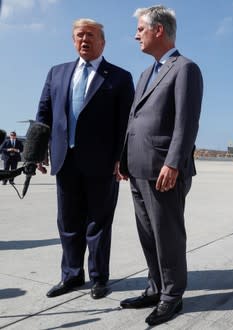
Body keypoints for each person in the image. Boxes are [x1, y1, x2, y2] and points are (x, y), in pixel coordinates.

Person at [35, 18, 134, 299]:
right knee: (67, 222)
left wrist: (121, 159)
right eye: (79, 35)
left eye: (90, 35)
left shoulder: (119, 77)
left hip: (102, 163)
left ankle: (99, 278)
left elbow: (127, 123)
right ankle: (71, 275)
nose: (84, 40)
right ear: (72, 40)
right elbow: (43, 115)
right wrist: (37, 153)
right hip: (65, 160)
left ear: (103, 42)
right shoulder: (57, 73)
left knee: (99, 223)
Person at [119, 5, 203, 326]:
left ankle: (172, 297)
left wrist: (174, 163)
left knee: (167, 235)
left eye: (141, 29)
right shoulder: (146, 73)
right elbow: (133, 120)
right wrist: (123, 159)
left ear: (158, 31)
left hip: (165, 171)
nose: (136, 34)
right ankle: (155, 287)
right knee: (147, 235)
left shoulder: (185, 69)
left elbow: (186, 122)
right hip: (138, 169)